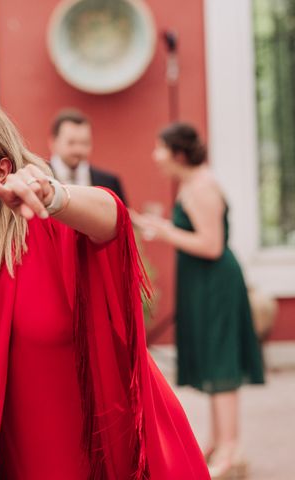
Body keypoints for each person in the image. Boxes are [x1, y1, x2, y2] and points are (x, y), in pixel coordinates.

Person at [0, 101, 209, 479]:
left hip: (102, 452)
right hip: (17, 457)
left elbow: (112, 217)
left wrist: (52, 196)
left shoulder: (47, 230)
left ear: (2, 170)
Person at [132, 122, 264, 479]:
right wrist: (159, 226)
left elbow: (211, 245)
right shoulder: (191, 184)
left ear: (178, 153)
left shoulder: (202, 187)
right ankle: (219, 440)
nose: (155, 156)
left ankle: (231, 448)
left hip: (216, 283)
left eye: (160, 149)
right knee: (212, 356)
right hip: (203, 283)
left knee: (221, 361)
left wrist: (163, 230)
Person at [49, 108, 128, 205]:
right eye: (71, 142)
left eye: (84, 143)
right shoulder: (41, 178)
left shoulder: (110, 182)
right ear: (53, 143)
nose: (78, 150)